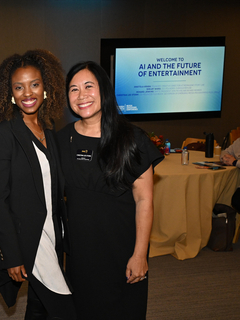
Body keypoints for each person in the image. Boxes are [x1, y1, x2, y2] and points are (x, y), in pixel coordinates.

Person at [57, 61, 164, 319]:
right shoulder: (61, 140)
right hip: (81, 254)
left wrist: (140, 254)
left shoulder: (132, 139)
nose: (81, 95)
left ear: (104, 90)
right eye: (73, 89)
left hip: (121, 251)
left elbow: (144, 200)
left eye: (88, 86)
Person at [0, 49, 76, 319]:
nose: (28, 93)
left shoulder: (50, 132)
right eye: (19, 87)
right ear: (11, 94)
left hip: (54, 235)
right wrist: (12, 256)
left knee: (39, 307)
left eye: (34, 84)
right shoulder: (3, 135)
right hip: (31, 241)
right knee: (65, 309)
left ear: (46, 88)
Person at [221, 138, 240, 211]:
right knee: (236, 200)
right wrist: (225, 158)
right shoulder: (238, 142)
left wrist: (235, 162)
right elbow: (225, 152)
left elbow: (235, 162)